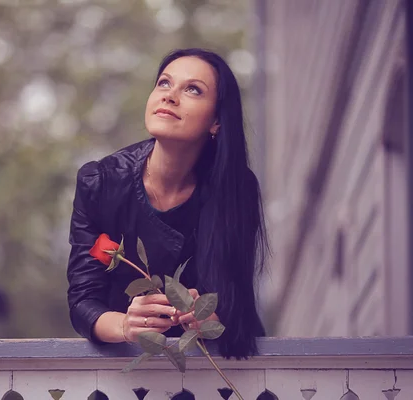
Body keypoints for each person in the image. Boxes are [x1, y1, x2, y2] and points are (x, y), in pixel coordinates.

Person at [67, 48, 268, 359]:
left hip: (213, 366)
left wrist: (209, 318)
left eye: (192, 89)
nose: (170, 96)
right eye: (164, 83)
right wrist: (126, 325)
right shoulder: (100, 183)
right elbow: (82, 301)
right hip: (129, 369)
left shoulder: (235, 189)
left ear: (216, 121)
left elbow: (237, 307)